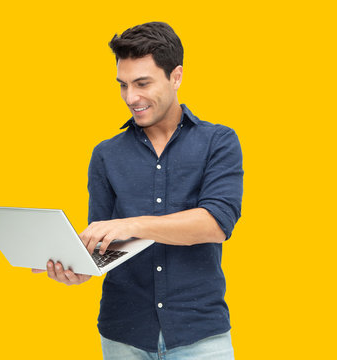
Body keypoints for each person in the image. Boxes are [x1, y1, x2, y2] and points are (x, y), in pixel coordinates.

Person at [33, 22, 243, 359]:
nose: (131, 98)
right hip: (124, 336)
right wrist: (77, 269)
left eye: (143, 83)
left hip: (200, 335)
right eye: (124, 85)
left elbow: (215, 224)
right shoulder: (105, 154)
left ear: (176, 76)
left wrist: (132, 224)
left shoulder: (218, 142)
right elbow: (102, 245)